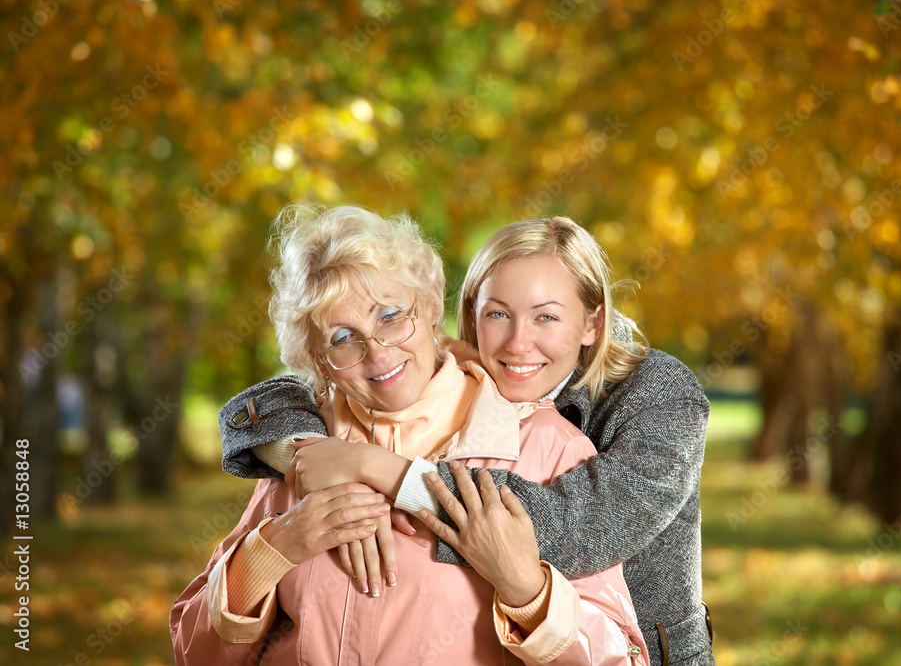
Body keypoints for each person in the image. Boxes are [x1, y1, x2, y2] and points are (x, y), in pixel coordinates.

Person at [223, 216, 715, 665]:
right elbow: (274, 397)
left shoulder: (655, 397)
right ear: (468, 315)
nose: (518, 343)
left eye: (546, 316)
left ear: (593, 324)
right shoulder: (429, 377)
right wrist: (298, 452)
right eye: (498, 314)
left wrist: (372, 468)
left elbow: (573, 530)